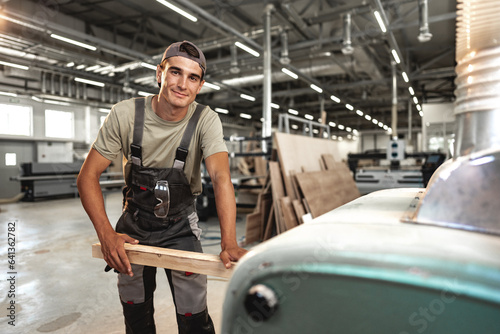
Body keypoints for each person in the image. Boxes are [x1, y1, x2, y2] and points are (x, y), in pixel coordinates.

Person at [77, 40, 248, 333]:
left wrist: (229, 241)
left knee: (194, 316)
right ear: (160, 73)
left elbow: (221, 178)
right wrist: (106, 235)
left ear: (200, 85)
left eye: (192, 77)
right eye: (175, 73)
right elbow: (87, 176)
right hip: (133, 227)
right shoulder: (125, 114)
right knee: (136, 315)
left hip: (181, 226)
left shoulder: (205, 121)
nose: (182, 84)